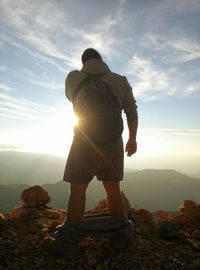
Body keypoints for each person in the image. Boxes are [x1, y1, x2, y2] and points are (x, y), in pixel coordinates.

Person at [63, 48, 138, 220]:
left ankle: (72, 234)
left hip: (83, 140)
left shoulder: (73, 77)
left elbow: (70, 97)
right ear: (101, 60)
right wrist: (132, 139)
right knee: (113, 189)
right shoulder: (120, 80)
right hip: (112, 141)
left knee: (77, 189)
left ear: (84, 62)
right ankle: (119, 230)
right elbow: (132, 112)